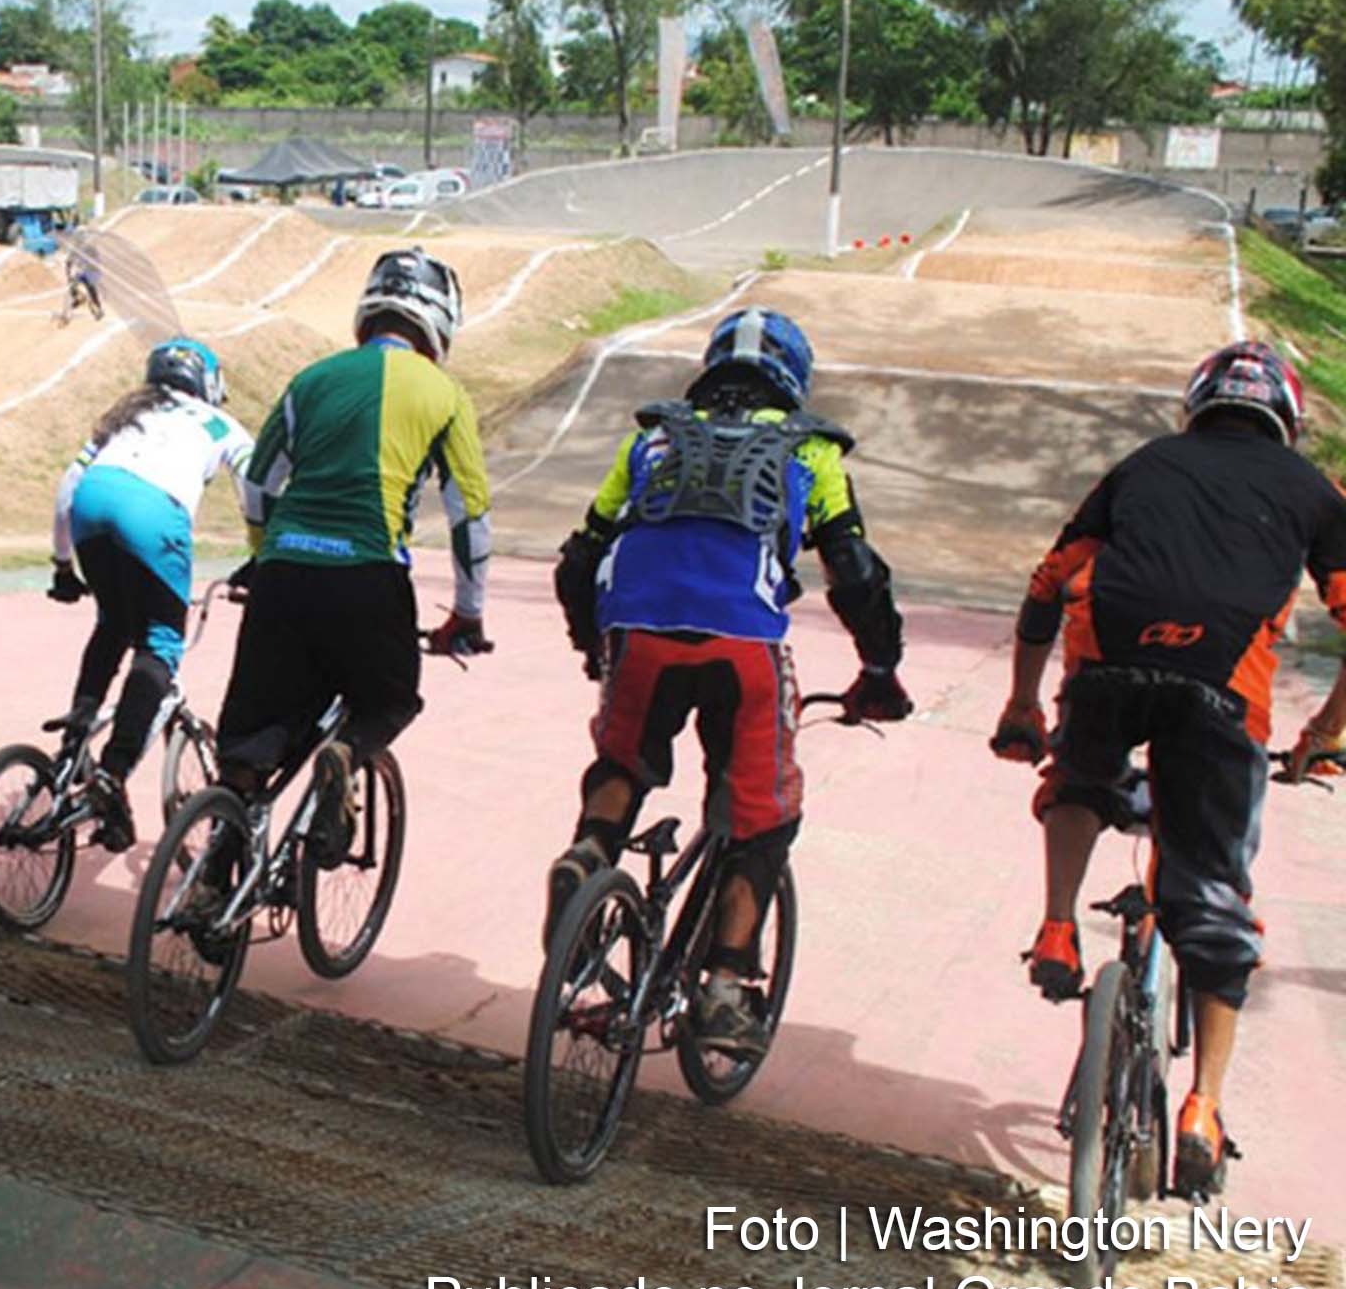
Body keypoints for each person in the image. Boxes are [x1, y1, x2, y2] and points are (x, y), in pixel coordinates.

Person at [991, 338, 1346, 1199]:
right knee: (1214, 897)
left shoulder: (1143, 463)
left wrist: (1024, 704)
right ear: (1287, 420)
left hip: (1109, 667)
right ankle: (1202, 1110)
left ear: (1197, 405)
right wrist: (1325, 734)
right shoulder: (1315, 492)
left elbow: (1050, 582)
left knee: (1080, 778)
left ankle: (1057, 924)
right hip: (1222, 697)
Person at [550, 307, 909, 1054]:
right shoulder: (812, 449)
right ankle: (722, 989)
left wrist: (595, 647)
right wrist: (880, 667)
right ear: (791, 375)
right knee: (763, 814)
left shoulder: (650, 438)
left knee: (624, 763)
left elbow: (581, 555)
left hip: (640, 632)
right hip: (742, 644)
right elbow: (854, 570)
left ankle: (587, 856)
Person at [209, 248, 493, 857]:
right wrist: (468, 612)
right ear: (440, 320)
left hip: (285, 571)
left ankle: (211, 884)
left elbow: (258, 487)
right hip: (369, 572)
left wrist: (265, 557)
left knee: (252, 734)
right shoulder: (444, 394)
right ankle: (348, 752)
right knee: (389, 699)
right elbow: (470, 513)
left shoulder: (311, 379)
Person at [46, 337, 253, 849]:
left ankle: (75, 738)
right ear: (208, 383)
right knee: (160, 644)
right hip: (154, 515)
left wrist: (62, 566)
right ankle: (112, 774)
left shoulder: (124, 416)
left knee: (113, 623)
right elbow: (257, 481)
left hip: (91, 505)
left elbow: (69, 483)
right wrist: (261, 552)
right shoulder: (217, 422)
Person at [57, 232, 104, 327]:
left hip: (87, 276)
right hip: (80, 277)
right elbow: (68, 264)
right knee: (79, 293)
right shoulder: (76, 251)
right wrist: (70, 276)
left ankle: (94, 309)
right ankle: (69, 315)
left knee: (89, 293)